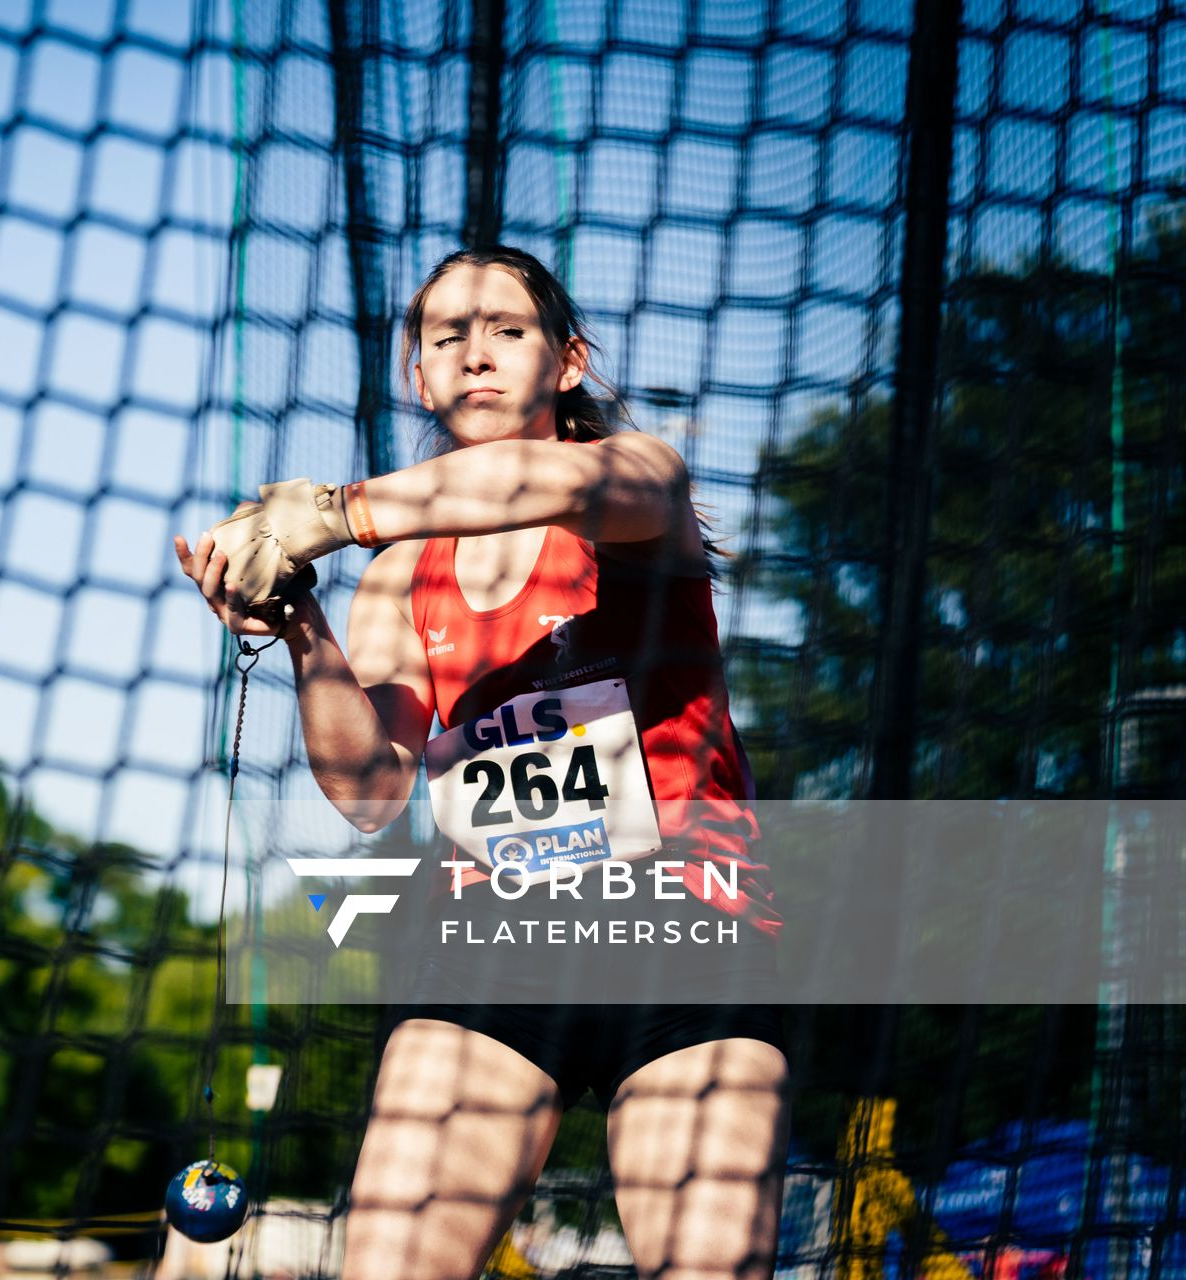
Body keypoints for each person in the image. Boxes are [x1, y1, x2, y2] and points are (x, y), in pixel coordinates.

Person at [172, 245, 790, 1280]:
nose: (476, 353)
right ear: (420, 375)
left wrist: (328, 513)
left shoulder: (638, 480)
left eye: (508, 329)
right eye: (447, 336)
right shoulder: (404, 572)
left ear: (568, 361)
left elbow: (528, 480)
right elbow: (370, 790)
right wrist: (301, 623)